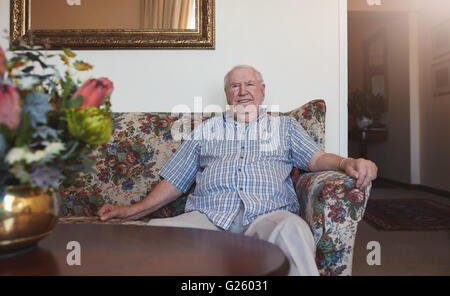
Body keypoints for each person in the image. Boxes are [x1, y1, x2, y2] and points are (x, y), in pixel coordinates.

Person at [98, 65, 378, 275]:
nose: (242, 91)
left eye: (249, 84)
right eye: (235, 86)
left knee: (293, 230)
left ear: (262, 90)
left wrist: (345, 163)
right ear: (226, 94)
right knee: (156, 236)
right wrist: (132, 210)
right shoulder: (206, 129)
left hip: (269, 215)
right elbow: (175, 180)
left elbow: (316, 160)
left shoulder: (285, 127)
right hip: (209, 219)